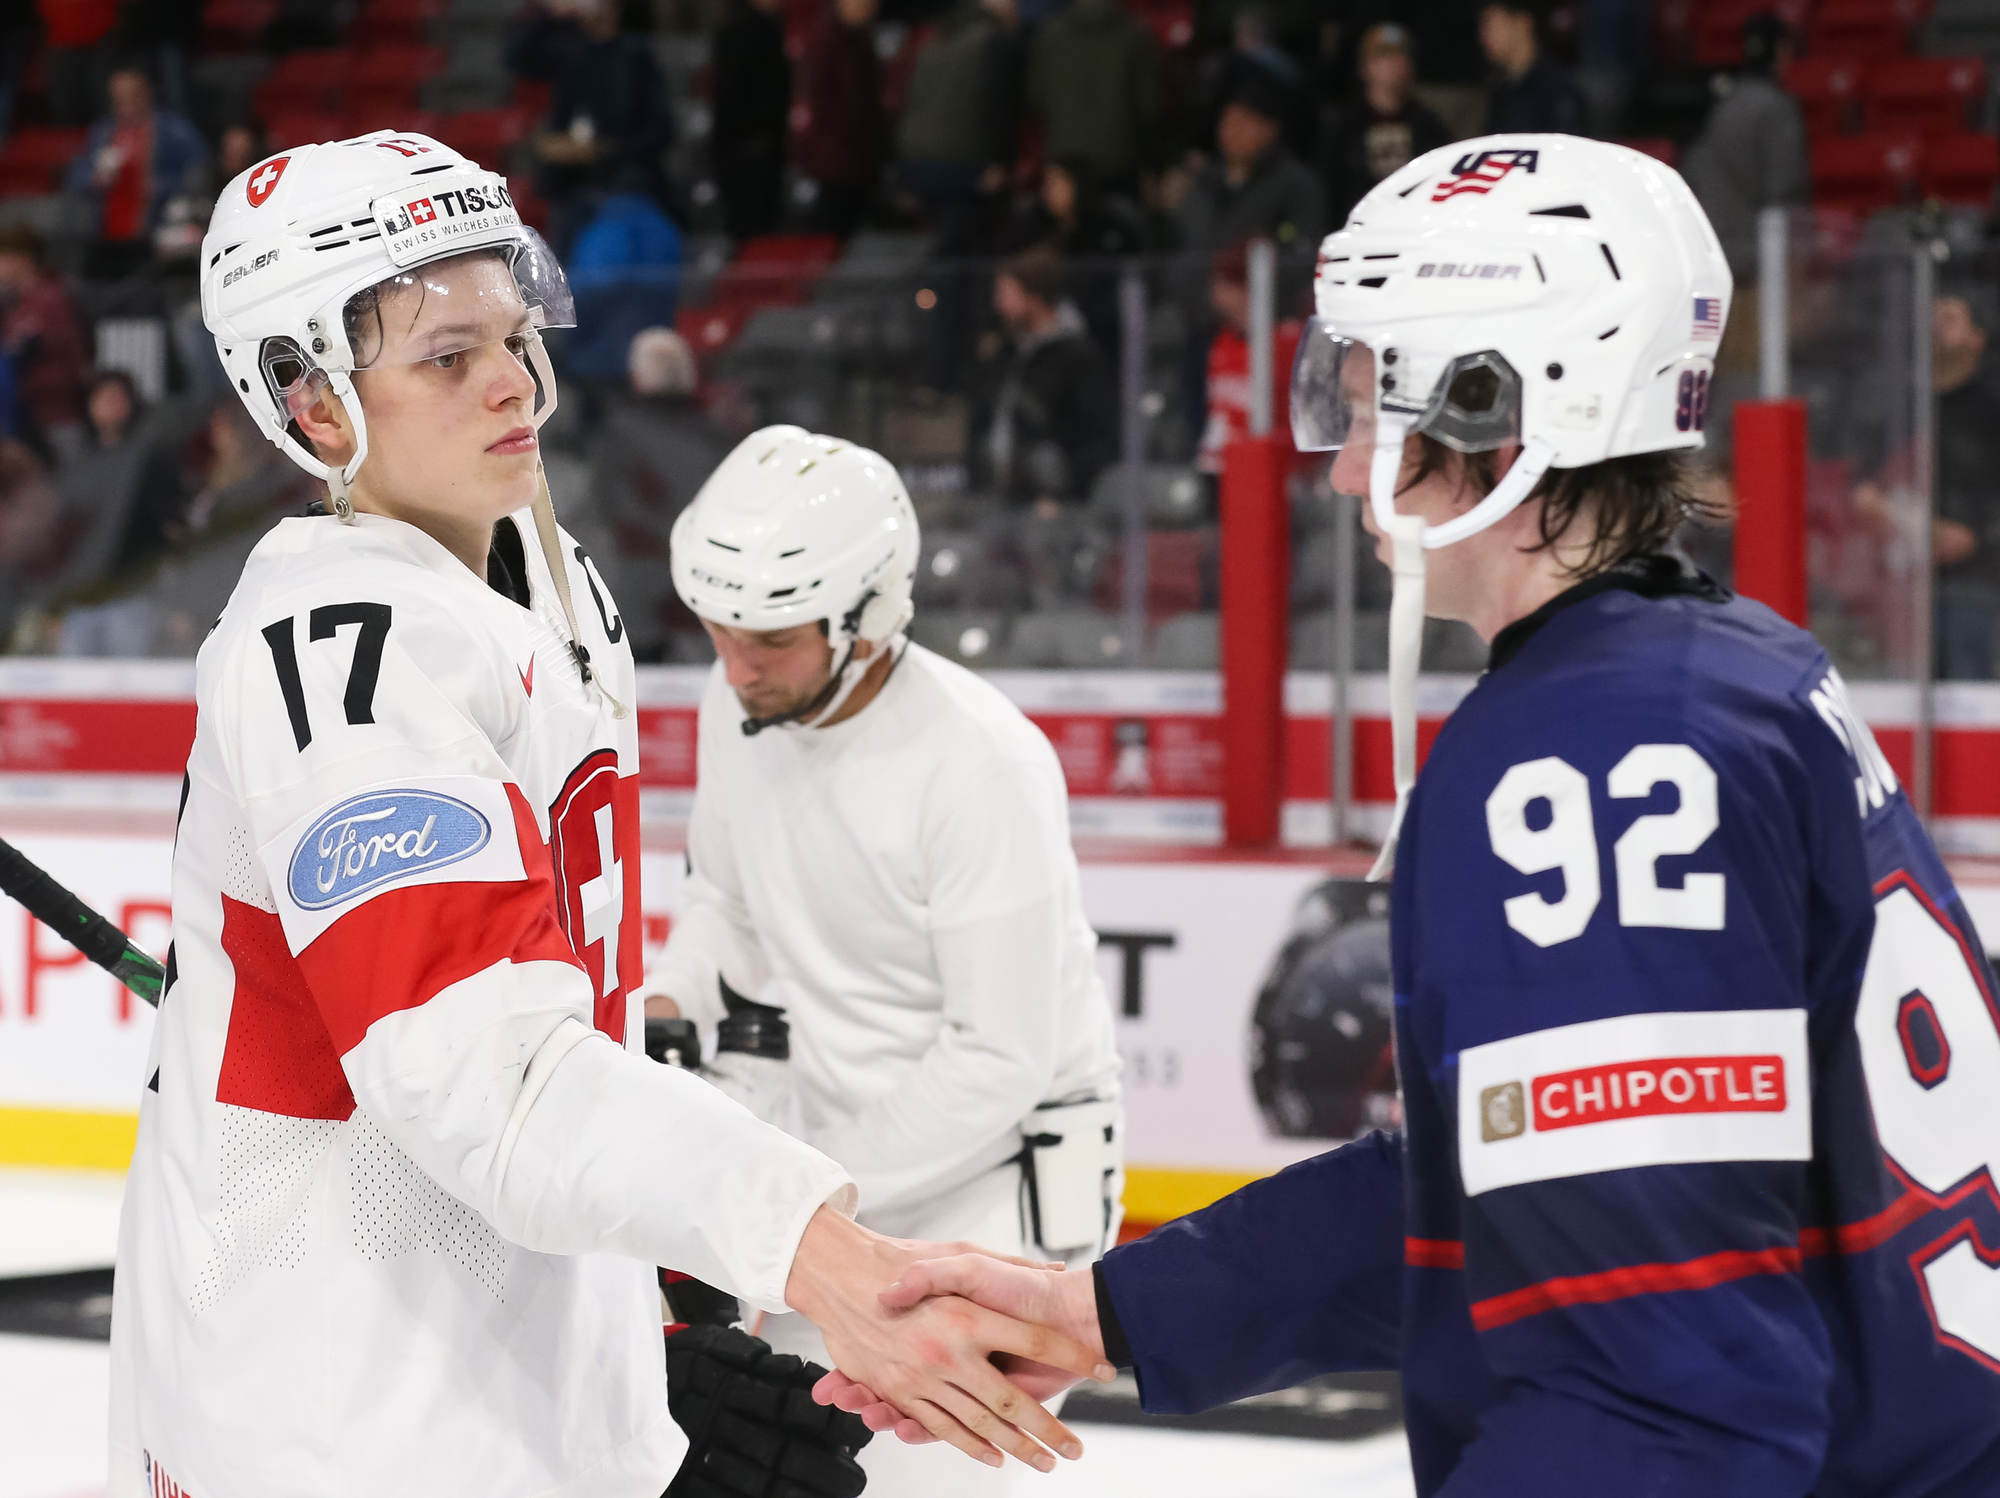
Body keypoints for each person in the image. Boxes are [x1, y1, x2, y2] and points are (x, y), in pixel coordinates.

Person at [824, 135, 2000, 1497]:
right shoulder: (1726, 671)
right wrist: (1116, 1311)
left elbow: (1668, 1397)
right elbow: (1533, 1196)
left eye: (1371, 399)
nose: (1338, 469)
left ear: (1499, 405)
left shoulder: (1599, 760)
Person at [107, 129, 1110, 1497]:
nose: (516, 384)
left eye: (516, 334)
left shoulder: (541, 564)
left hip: (498, 1375)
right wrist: (804, 1241)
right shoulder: (341, 651)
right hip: (325, 1413)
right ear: (314, 400)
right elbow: (490, 1076)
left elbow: (563, 1027)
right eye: (446, 358)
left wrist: (635, 1334)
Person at [650, 420, 1125, 1497]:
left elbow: (996, 1060)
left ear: (865, 618)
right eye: (719, 631)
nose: (735, 663)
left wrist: (796, 1196)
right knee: (793, 1463)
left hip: (989, 1199)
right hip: (842, 1179)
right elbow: (724, 897)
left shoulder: (976, 763)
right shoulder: (738, 706)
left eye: (768, 637)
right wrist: (668, 997)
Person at [1855, 289, 2000, 681]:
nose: (1936, 326)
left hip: (1976, 581)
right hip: (1899, 579)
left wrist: (1980, 538)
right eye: (1932, 317)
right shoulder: (1896, 404)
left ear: (1978, 338)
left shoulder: (1991, 407)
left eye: (1950, 319)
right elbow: (1863, 489)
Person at [584, 326, 733, 661]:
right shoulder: (716, 436)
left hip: (642, 586)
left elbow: (609, 509)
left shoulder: (620, 434)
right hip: (705, 581)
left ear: (638, 376)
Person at [971, 242, 1118, 511]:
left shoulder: (1079, 358)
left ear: (1034, 298)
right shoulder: (1006, 354)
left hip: (1051, 508)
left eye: (1007, 294)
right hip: (998, 502)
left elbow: (1096, 439)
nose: (998, 304)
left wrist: (1064, 496)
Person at [533, 0, 676, 253]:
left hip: (627, 185)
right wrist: (551, 14)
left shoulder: (637, 57)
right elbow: (518, 55)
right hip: (574, 186)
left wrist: (603, 150)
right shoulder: (571, 53)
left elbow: (661, 131)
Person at [64, 62, 208, 280]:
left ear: (148, 93)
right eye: (118, 96)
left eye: (133, 94)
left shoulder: (174, 131)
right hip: (107, 232)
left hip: (154, 231)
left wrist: (161, 186)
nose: (126, 103)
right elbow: (76, 176)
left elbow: (198, 173)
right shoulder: (102, 133)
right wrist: (94, 179)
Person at [1320, 22, 1453, 225]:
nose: (1395, 63)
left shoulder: (1429, 125)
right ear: (1364, 67)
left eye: (1402, 55)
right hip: (1359, 227)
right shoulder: (1344, 127)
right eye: (1384, 56)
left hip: (1415, 226)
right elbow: (1330, 189)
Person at [1024, 0, 1160, 194]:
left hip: (1064, 159)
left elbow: (1035, 98)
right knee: (1116, 221)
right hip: (1118, 158)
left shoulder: (1049, 34)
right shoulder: (1136, 35)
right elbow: (1148, 106)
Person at [0, 223, 90, 465]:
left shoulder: (51, 299)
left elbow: (72, 356)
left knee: (70, 489)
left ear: (21, 259)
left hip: (58, 415)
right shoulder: (15, 305)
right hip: (27, 418)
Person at [798, 0, 886, 239]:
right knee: (830, 234)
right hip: (835, 157)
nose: (871, 8)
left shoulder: (862, 39)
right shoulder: (826, 40)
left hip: (859, 157)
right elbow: (821, 102)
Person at [711, 0, 792, 241]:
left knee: (761, 231)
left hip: (759, 146)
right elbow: (731, 93)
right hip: (746, 150)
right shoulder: (740, 31)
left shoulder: (769, 27)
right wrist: (752, 137)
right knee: (749, 233)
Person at [1479, 0, 1589, 136]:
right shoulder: (1499, 89)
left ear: (1523, 23)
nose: (1484, 36)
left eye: (1491, 25)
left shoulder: (1557, 89)